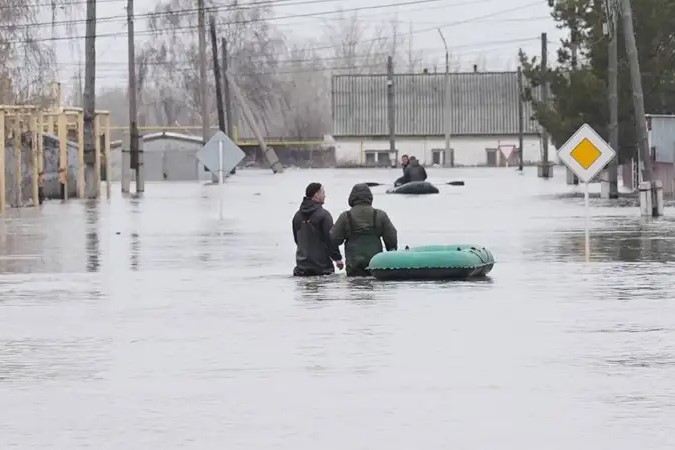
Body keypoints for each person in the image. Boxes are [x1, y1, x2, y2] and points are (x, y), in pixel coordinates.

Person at [330, 183, 398, 277]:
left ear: (351, 197)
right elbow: (392, 237)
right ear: (370, 197)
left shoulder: (345, 216)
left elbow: (333, 239)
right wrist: (391, 251)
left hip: (354, 267)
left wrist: (337, 258)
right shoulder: (380, 215)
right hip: (375, 265)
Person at [292, 182, 344, 276]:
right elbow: (330, 239)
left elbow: (297, 240)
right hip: (322, 269)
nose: (325, 195)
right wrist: (337, 259)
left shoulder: (297, 216)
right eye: (323, 193)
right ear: (316, 195)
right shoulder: (324, 215)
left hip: (301, 268)